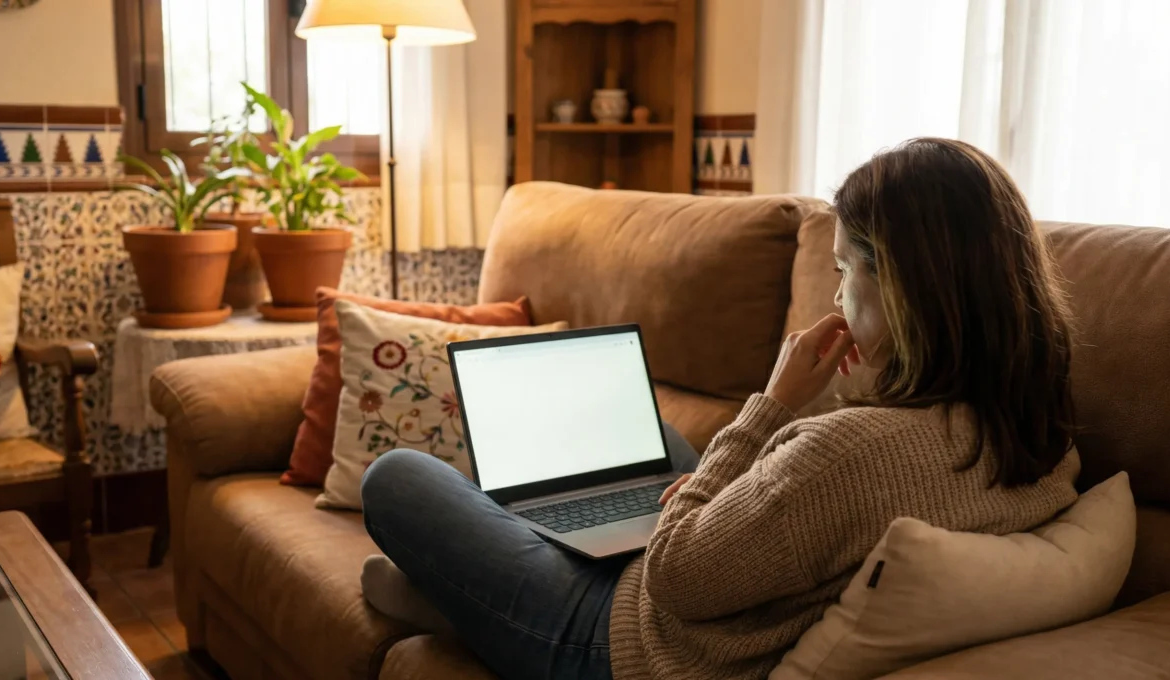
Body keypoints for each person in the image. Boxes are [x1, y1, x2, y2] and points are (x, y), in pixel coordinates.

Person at [358, 138, 1081, 680]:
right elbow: (820, 513)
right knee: (655, 442)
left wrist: (773, 407)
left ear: (899, 282)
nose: (836, 297)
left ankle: (469, 603)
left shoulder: (851, 452)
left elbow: (675, 572)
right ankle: (497, 581)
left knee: (397, 477)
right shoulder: (1038, 434)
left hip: (629, 643)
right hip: (734, 584)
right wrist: (823, 412)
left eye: (842, 270)